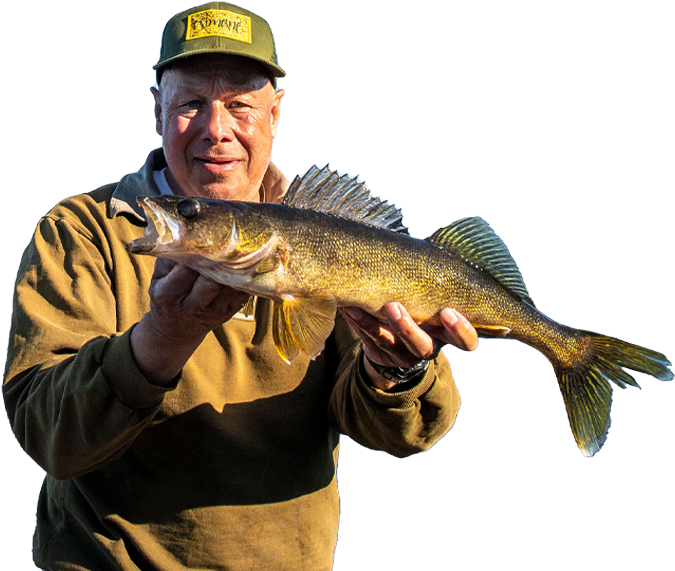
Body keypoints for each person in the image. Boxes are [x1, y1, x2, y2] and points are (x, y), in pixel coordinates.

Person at [3, 2, 478, 569]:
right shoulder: (83, 231)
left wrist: (395, 370)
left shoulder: (337, 239)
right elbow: (48, 435)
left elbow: (397, 434)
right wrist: (162, 340)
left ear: (276, 114)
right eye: (191, 104)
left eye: (240, 105)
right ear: (157, 111)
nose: (216, 129)